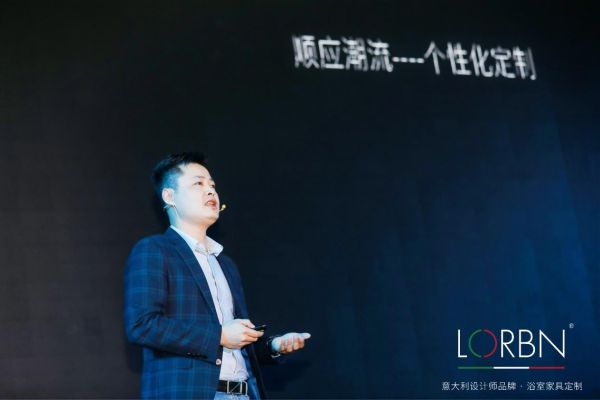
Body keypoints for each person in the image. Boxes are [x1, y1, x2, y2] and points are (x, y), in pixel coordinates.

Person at [124, 152, 310, 399]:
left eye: (212, 185)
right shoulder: (154, 250)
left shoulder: (225, 264)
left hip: (244, 393)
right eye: (198, 183)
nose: (210, 191)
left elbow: (236, 340)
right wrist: (220, 335)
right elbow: (142, 325)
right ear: (169, 196)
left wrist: (274, 346)